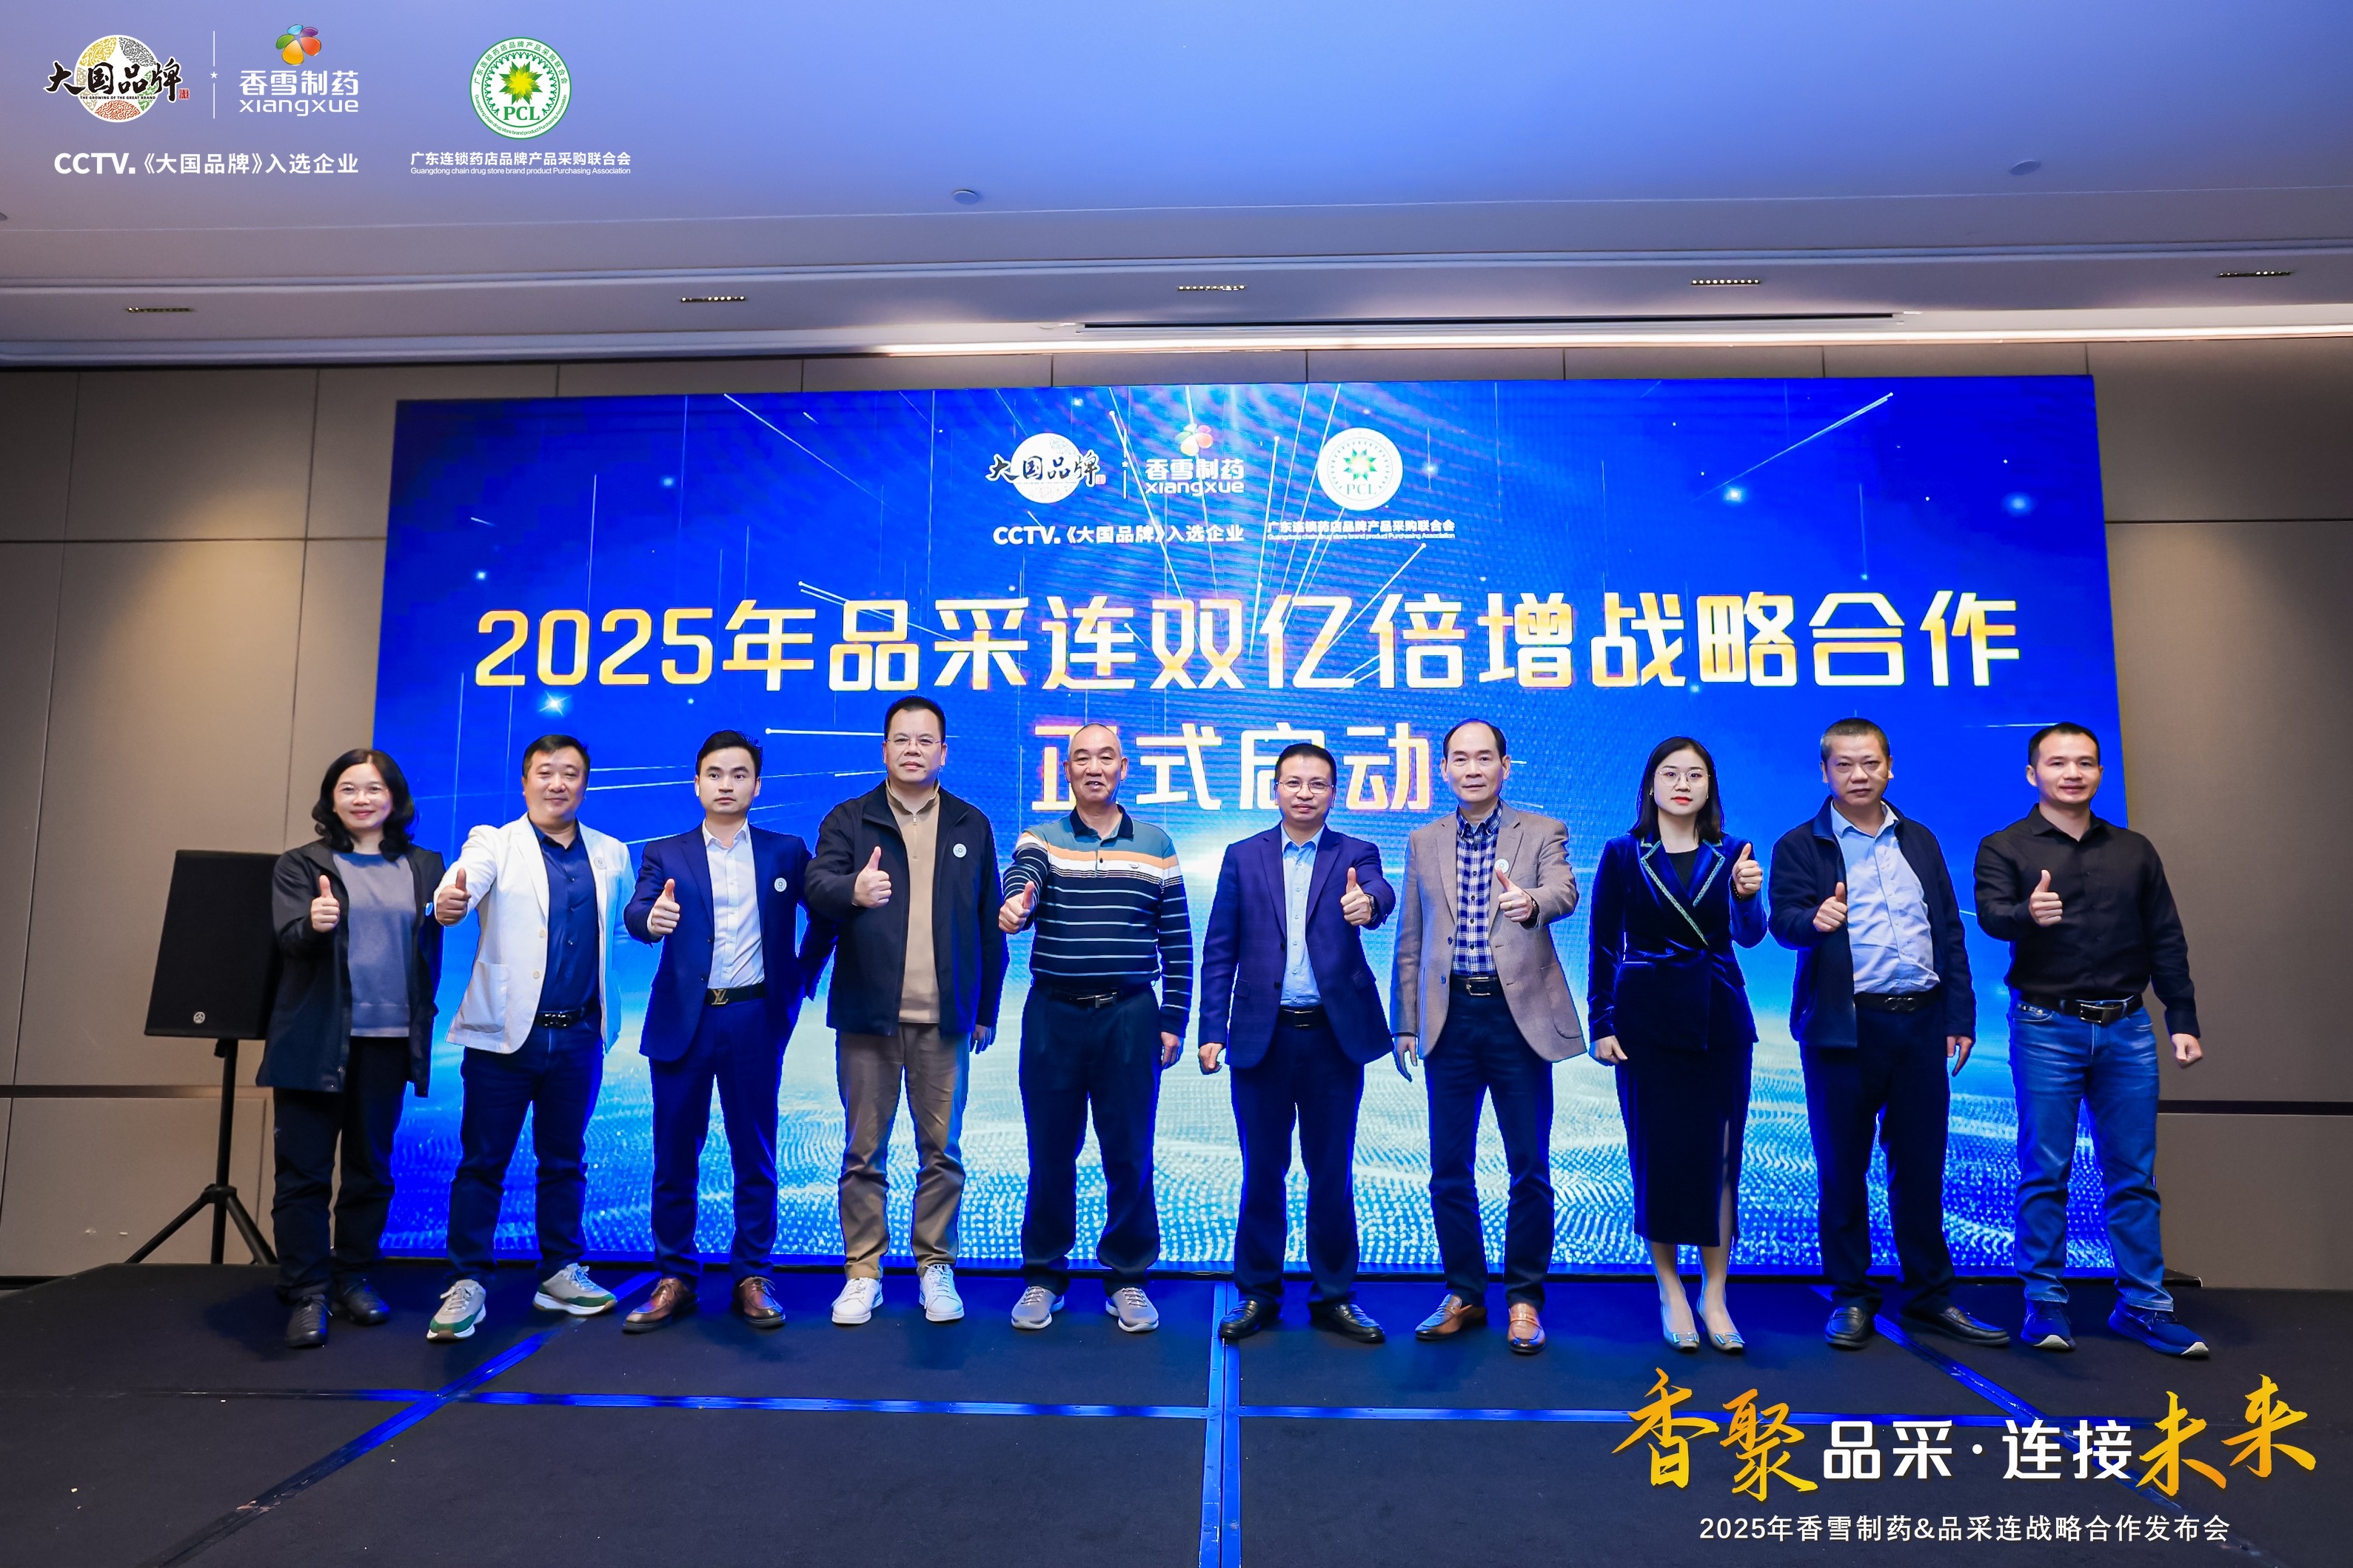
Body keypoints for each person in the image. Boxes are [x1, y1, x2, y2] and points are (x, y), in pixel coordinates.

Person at [1768, 720, 2006, 1350]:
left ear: (1890, 767)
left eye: (1870, 763)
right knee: (1842, 1169)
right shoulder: (1800, 845)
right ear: (1825, 772)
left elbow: (1948, 931)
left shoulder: (1918, 839)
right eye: (1844, 765)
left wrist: (1960, 1016)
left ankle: (1930, 1296)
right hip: (1843, 1028)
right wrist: (1813, 920)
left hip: (1922, 1024)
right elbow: (1782, 923)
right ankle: (1851, 1296)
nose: (1858, 775)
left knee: (1921, 1168)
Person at [1976, 723, 2209, 1358]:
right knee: (2045, 1170)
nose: (2072, 773)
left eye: (2085, 762)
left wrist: (2182, 1018)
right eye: (2057, 763)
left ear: (2101, 773)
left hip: (2129, 1027)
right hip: (2046, 1026)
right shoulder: (2005, 846)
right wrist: (2028, 914)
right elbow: (1992, 915)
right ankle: (2045, 1302)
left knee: (2133, 1174)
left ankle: (2144, 1306)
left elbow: (2166, 935)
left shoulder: (2135, 850)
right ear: (2033, 774)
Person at [617, 731, 837, 1333]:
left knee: (755, 1152)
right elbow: (637, 911)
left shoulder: (785, 851)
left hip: (753, 1017)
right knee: (674, 1156)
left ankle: (752, 1276)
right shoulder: (666, 852)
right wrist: (650, 920)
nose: (726, 784)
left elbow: (827, 913)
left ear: (756, 786)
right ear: (697, 784)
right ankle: (675, 1276)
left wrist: (801, 977)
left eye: (739, 774)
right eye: (714, 774)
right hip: (683, 1021)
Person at [425, 735, 635, 1342]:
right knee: (482, 1163)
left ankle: (560, 1271)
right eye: (545, 772)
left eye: (570, 773)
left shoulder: (611, 853)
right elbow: (461, 886)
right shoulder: (494, 843)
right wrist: (448, 901)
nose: (557, 783)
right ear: (525, 783)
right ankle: (467, 1280)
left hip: (579, 1036)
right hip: (503, 1039)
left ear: (585, 785)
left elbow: (626, 923)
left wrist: (653, 923)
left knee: (565, 1162)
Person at [805, 697, 1006, 1327]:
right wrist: (853, 889)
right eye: (901, 739)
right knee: (863, 1154)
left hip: (945, 1020)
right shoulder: (851, 818)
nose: (913, 750)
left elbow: (989, 923)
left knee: (941, 1152)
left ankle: (934, 1266)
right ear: (884, 749)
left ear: (944, 752)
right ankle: (863, 1272)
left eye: (925, 740)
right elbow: (816, 888)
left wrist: (985, 1007)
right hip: (868, 1017)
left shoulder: (970, 824)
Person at [1390, 719, 1583, 1355]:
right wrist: (1406, 1020)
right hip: (1450, 1019)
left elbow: (1564, 890)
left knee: (1529, 1166)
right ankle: (1465, 1293)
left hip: (1516, 1018)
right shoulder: (1423, 840)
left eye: (1484, 758)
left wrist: (1532, 903)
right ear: (1444, 769)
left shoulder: (1543, 830)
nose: (1472, 769)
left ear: (1505, 765)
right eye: (1459, 759)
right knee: (1449, 1168)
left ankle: (1525, 1298)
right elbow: (1411, 936)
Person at [1197, 742, 1396, 1345]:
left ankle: (1334, 1296)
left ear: (1333, 793)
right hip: (1262, 1036)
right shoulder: (1243, 855)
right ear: (1275, 790)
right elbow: (1220, 948)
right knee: (1263, 1170)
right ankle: (1258, 1293)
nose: (1304, 793)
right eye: (1293, 782)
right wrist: (1211, 1030)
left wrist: (1369, 904)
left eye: (1317, 784)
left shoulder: (1355, 853)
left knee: (1331, 1171)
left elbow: (1380, 894)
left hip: (1333, 1039)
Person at [999, 723, 1192, 1334]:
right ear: (1067, 771)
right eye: (1081, 758)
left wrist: (1174, 1018)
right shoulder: (1042, 838)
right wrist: (1018, 901)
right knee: (1049, 1152)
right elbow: (1023, 875)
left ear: (1123, 768)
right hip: (1052, 1015)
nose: (1093, 767)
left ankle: (1128, 1278)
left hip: (1130, 1015)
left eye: (1105, 757)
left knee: (1129, 1153)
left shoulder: (1156, 844)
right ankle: (1043, 1276)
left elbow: (1177, 938)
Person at [1589, 737, 1767, 1354]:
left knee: (1722, 1161)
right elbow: (1604, 943)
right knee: (1658, 1158)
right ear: (1651, 785)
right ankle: (1670, 1289)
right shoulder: (1622, 853)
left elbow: (1751, 936)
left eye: (1695, 774)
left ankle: (1715, 1295)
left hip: (1721, 1018)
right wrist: (1602, 1023)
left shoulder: (1733, 852)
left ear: (1710, 786)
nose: (1683, 784)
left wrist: (1747, 896)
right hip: (1647, 1023)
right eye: (1671, 774)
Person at [261, 749, 445, 1350]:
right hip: (314, 1041)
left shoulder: (424, 865)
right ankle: (307, 1291)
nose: (361, 799)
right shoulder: (302, 863)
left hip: (388, 1042)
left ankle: (354, 1277)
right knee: (303, 1175)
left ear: (395, 798)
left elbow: (430, 943)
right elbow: (289, 941)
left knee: (370, 1171)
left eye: (373, 788)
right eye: (348, 788)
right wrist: (313, 923)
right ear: (331, 799)